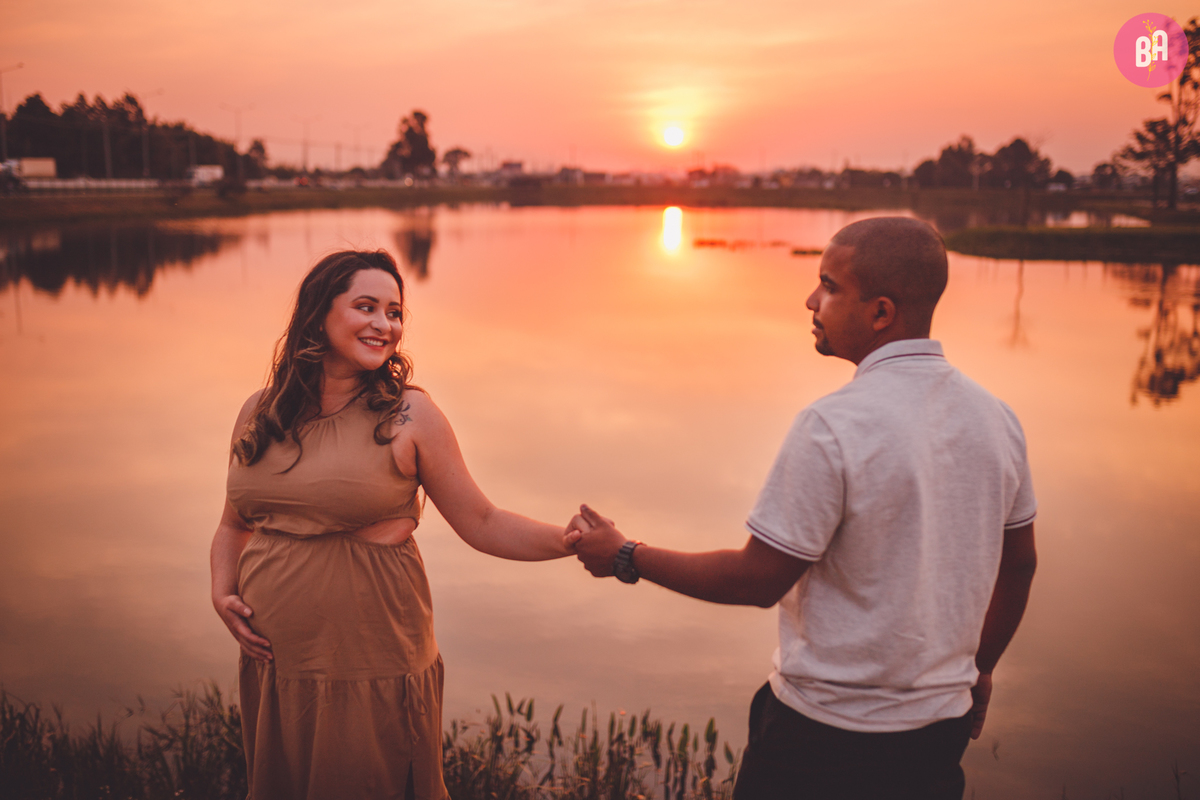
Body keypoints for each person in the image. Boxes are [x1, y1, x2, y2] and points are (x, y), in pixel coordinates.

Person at [573, 217, 1037, 800]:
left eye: (830, 285)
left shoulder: (833, 425)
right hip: (937, 734)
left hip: (823, 739)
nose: (811, 300)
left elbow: (759, 578)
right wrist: (982, 667)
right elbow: (1019, 566)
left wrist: (624, 554)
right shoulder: (996, 419)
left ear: (881, 313)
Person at [211, 250, 582, 800]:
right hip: (278, 662)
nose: (384, 325)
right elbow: (234, 524)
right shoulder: (259, 411)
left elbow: (482, 521)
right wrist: (222, 593)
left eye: (394, 312)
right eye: (367, 307)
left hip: (371, 659)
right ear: (317, 315)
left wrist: (569, 542)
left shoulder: (410, 415)